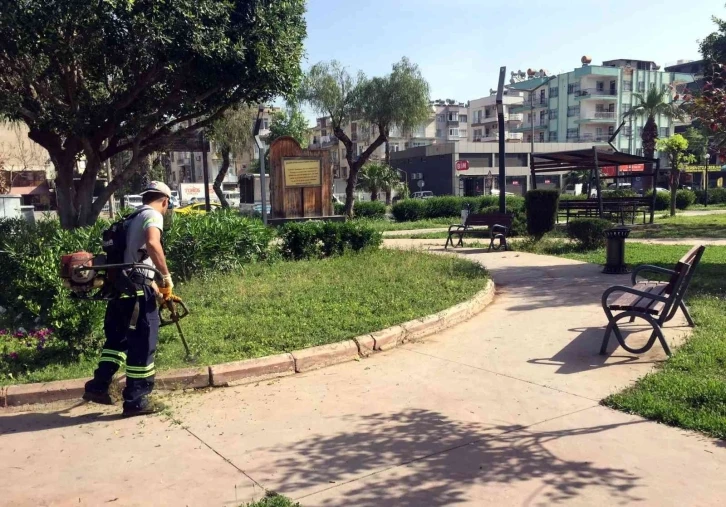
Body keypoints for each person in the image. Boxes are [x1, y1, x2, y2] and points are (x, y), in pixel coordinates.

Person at [83, 181, 175, 417]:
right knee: (143, 344)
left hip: (120, 288)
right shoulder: (154, 215)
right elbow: (153, 244)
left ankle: (99, 386)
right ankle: (136, 400)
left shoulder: (132, 217)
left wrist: (153, 283)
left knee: (117, 341)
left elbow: (135, 257)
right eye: (167, 205)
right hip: (136, 293)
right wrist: (165, 277)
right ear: (164, 201)